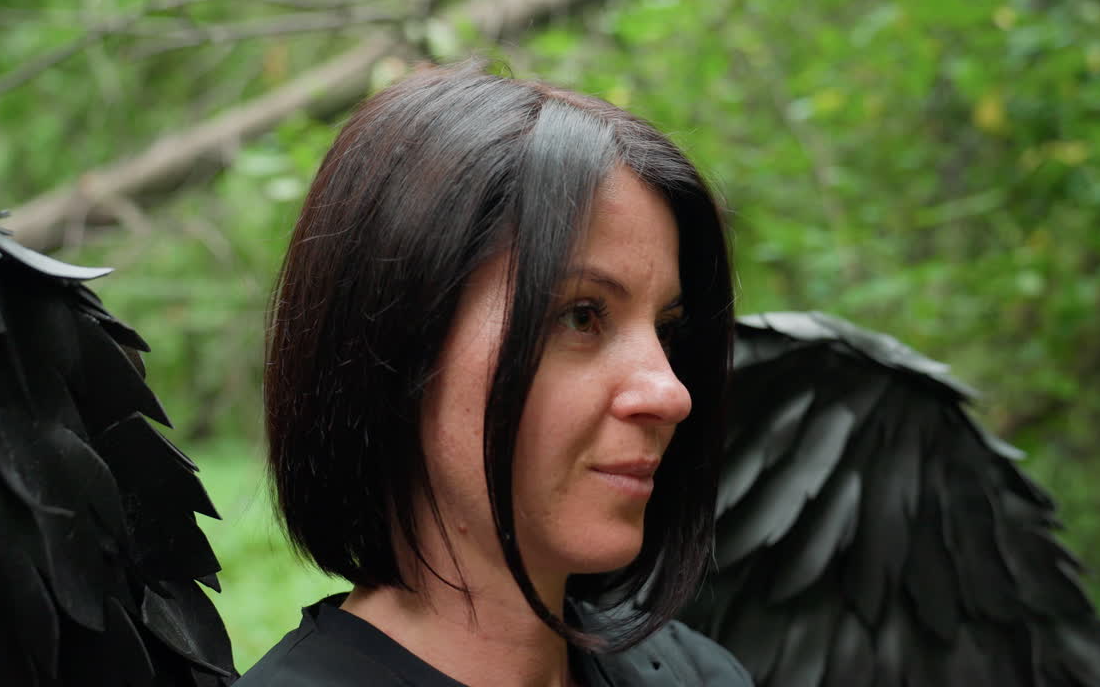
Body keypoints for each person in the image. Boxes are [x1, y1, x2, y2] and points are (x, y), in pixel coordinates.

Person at [236, 63, 749, 687]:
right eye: (581, 316)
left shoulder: (700, 674)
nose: (670, 392)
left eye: (665, 330)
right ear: (396, 342)